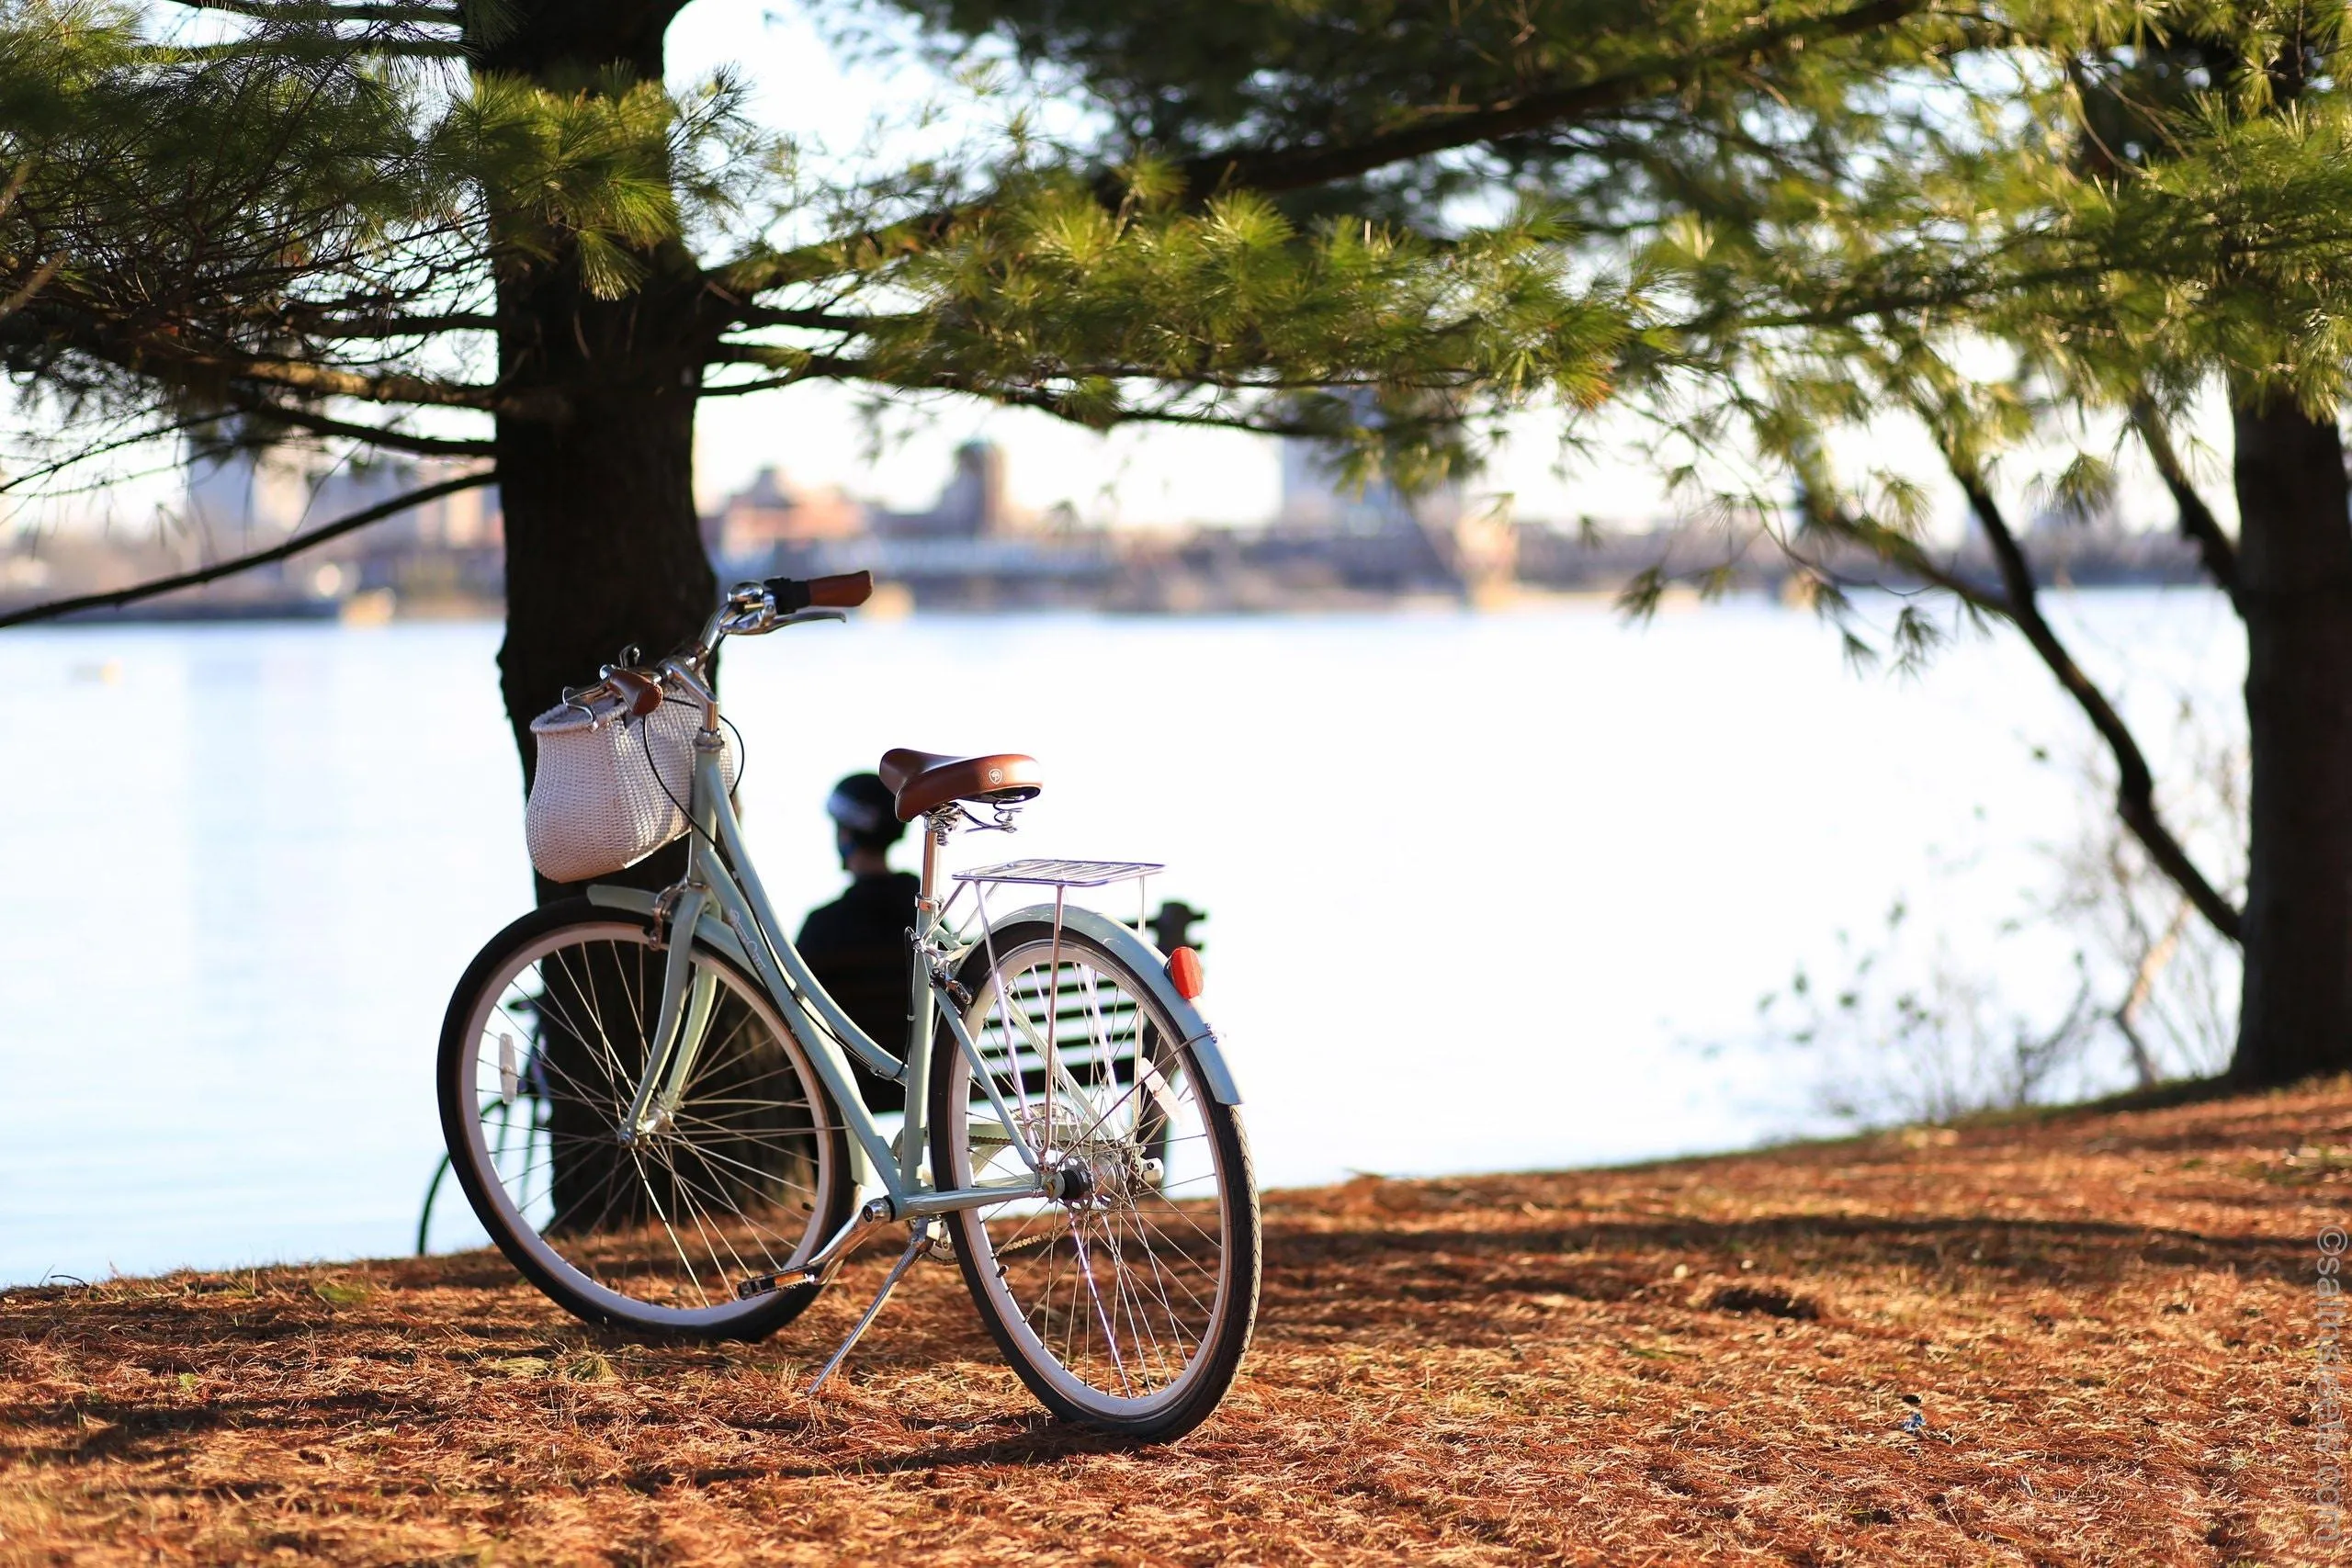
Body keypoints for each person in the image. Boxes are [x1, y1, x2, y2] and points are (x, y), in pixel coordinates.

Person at [797, 772, 919, 1112]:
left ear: (845, 833)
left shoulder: (822, 927)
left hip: (842, 1085)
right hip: (921, 1080)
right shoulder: (926, 923)